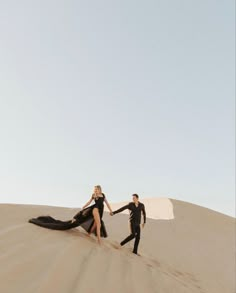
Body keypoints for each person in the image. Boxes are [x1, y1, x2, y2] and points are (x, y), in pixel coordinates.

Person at [29, 185, 113, 245]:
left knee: (95, 224)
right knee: (99, 224)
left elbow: (107, 203)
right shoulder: (94, 195)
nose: (96, 190)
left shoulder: (103, 195)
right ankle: (99, 240)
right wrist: (84, 206)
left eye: (97, 189)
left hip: (101, 210)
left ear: (100, 189)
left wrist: (111, 210)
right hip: (95, 209)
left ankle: (89, 234)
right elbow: (89, 202)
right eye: (95, 189)